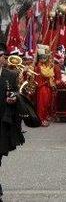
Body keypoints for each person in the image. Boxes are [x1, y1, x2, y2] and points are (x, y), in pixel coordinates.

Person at [0, 43, 25, 198]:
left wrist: (14, 97)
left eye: (2, 56)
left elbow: (17, 92)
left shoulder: (10, 75)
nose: (4, 58)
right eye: (3, 56)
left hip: (3, 120)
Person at [34, 46, 56, 126]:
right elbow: (47, 74)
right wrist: (50, 67)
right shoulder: (39, 66)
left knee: (46, 103)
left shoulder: (45, 65)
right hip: (42, 87)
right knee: (42, 104)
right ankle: (41, 119)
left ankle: (44, 117)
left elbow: (51, 74)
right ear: (40, 59)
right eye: (44, 58)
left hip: (46, 86)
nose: (46, 60)